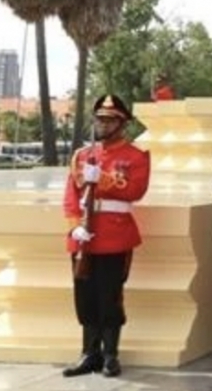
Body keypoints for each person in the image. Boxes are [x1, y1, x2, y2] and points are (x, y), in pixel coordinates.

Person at [61, 94, 152, 378]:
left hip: (115, 234)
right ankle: (90, 353)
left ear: (122, 123)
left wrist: (102, 178)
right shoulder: (81, 155)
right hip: (83, 235)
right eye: (99, 118)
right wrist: (75, 225)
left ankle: (111, 355)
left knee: (110, 296)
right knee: (85, 296)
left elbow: (135, 190)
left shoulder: (136, 156)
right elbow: (70, 197)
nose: (102, 124)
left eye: (109, 119)